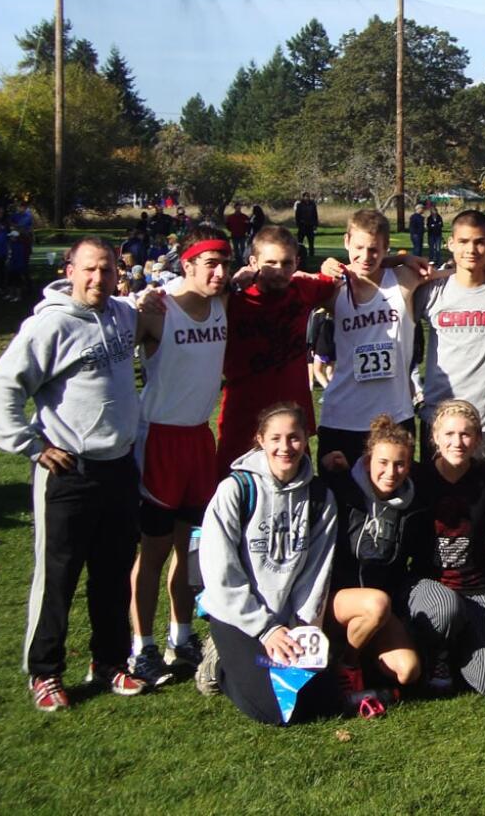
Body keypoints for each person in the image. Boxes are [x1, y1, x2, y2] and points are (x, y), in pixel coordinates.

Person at [0, 237, 148, 711]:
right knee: (57, 576)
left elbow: (153, 310)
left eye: (109, 269)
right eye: (90, 269)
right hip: (68, 471)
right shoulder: (50, 325)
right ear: (71, 269)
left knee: (114, 571)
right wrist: (30, 444)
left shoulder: (122, 314)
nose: (99, 278)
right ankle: (45, 672)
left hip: (119, 466)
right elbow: (0, 386)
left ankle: (110, 661)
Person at [127, 227, 232, 687]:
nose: (220, 272)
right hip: (159, 441)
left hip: (197, 439)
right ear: (186, 264)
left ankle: (181, 636)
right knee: (151, 552)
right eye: (209, 263)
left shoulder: (225, 301)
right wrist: (132, 300)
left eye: (225, 263)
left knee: (190, 550)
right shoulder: (156, 310)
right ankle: (140, 649)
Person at [195, 403, 339, 725]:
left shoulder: (319, 497)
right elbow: (220, 569)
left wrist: (301, 626)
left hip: (289, 618)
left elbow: (317, 570)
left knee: (322, 701)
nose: (285, 447)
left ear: (306, 439)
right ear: (260, 439)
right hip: (238, 616)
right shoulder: (236, 489)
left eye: (294, 438)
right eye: (275, 438)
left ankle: (255, 662)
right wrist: (265, 628)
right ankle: (217, 662)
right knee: (273, 713)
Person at [319, 415, 439, 714]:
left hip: (381, 609)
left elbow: (421, 559)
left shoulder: (414, 505)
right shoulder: (341, 489)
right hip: (336, 601)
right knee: (376, 602)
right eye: (383, 462)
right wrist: (323, 470)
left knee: (408, 670)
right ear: (368, 459)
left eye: (400, 464)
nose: (391, 472)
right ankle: (347, 666)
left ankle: (359, 661)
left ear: (409, 465)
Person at [215, 226, 338, 478]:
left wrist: (399, 258)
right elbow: (190, 294)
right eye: (270, 263)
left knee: (295, 492)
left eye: (286, 263)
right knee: (233, 491)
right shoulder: (231, 300)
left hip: (292, 420)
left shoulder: (303, 289)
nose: (279, 271)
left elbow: (357, 269)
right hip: (243, 418)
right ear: (253, 262)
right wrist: (231, 283)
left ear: (297, 263)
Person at [412, 400, 485, 696]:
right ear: (435, 437)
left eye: (466, 434)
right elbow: (377, 474)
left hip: (479, 590)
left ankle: (460, 643)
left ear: (479, 439)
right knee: (446, 608)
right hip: (430, 586)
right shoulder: (417, 478)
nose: (457, 442)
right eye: (449, 434)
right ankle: (436, 653)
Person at [415, 209, 485, 465]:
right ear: (450, 243)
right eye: (463, 241)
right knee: (441, 504)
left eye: (478, 242)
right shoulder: (431, 291)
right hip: (440, 420)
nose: (471, 249)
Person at [316, 209, 422, 472]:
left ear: (386, 247)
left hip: (395, 416)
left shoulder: (403, 282)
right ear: (346, 242)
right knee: (341, 503)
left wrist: (406, 258)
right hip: (342, 417)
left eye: (374, 250)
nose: (365, 256)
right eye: (359, 247)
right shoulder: (332, 289)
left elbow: (460, 269)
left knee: (395, 501)